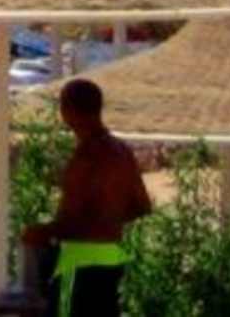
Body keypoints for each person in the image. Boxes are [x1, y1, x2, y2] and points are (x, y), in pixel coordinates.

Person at [24, 78, 151, 316]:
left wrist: (42, 232)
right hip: (110, 255)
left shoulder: (87, 156)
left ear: (68, 111)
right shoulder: (121, 151)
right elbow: (141, 206)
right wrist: (108, 221)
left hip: (77, 259)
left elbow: (74, 220)